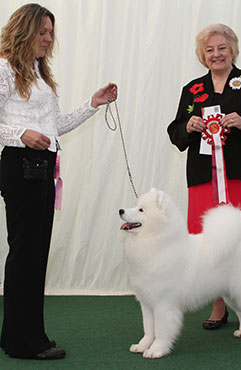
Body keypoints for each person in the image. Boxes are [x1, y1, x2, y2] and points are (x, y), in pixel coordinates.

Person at [0, 4, 117, 360]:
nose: (49, 39)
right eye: (42, 32)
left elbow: (55, 128)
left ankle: (23, 334)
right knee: (26, 253)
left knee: (34, 255)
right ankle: (23, 343)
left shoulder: (38, 72)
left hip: (42, 166)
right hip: (20, 165)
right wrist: (22, 134)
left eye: (51, 32)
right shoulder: (4, 68)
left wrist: (92, 105)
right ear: (24, 30)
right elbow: (24, 131)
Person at [167, 24, 241, 330]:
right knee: (208, 243)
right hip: (204, 177)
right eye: (210, 49)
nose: (216, 54)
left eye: (222, 48)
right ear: (202, 55)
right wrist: (188, 127)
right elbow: (175, 132)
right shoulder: (192, 90)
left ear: (233, 50)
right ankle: (219, 305)